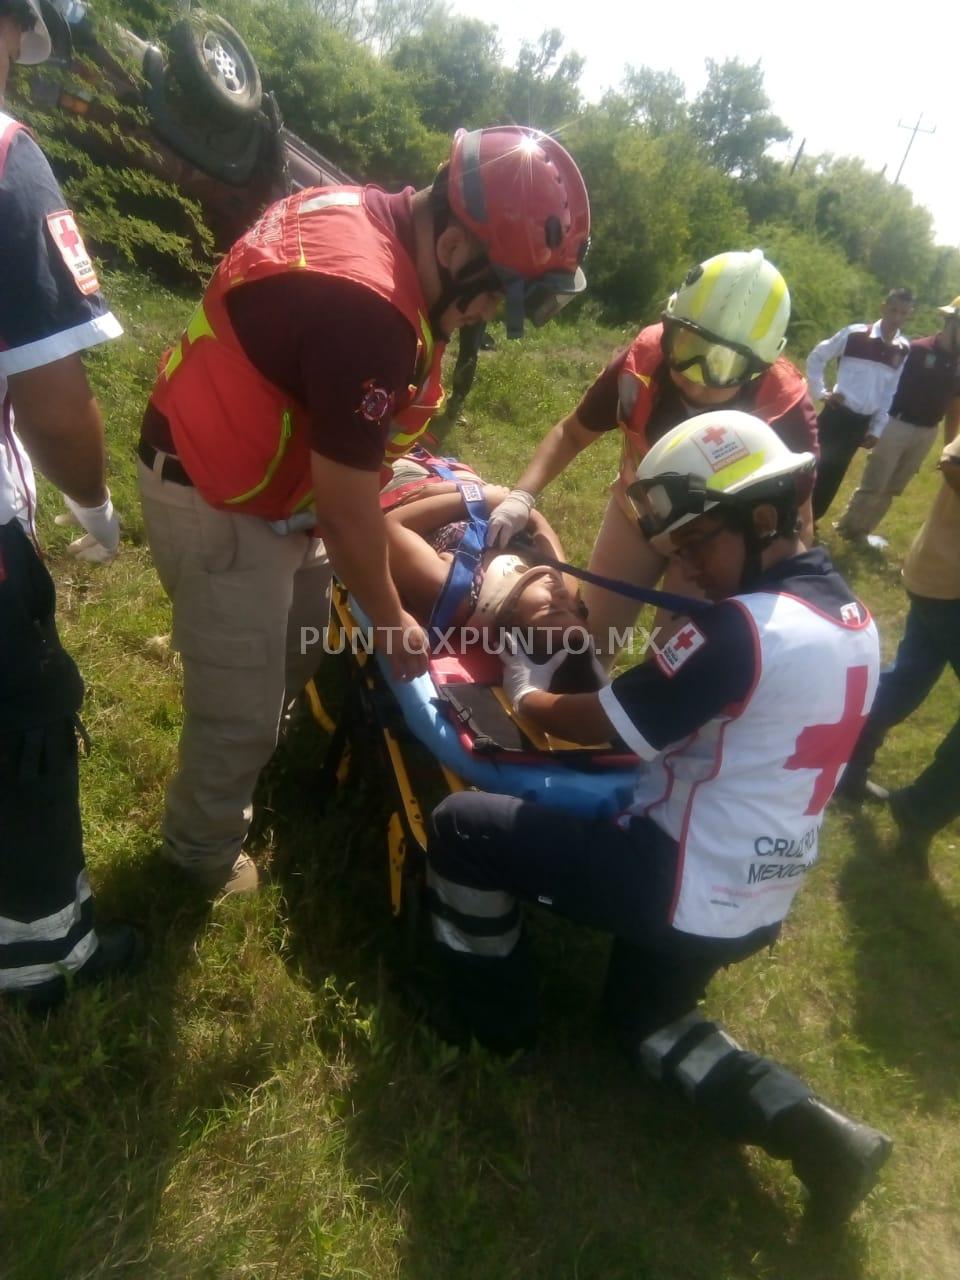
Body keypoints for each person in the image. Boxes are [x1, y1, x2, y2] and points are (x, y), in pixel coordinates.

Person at [420, 411, 891, 1224]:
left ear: (765, 519)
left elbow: (602, 719)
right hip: (751, 900)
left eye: (698, 544)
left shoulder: (738, 632)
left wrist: (529, 692)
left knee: (464, 826)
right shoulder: (854, 622)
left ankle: (491, 1025)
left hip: (669, 875)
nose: (689, 572)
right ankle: (819, 1135)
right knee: (643, 1022)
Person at [137, 126, 590, 895]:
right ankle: (198, 857)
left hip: (278, 494)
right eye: (493, 293)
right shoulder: (371, 308)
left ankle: (245, 754)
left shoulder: (371, 215)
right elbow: (353, 513)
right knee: (240, 705)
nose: (484, 314)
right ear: (451, 248)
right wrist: (389, 616)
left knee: (294, 648)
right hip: (219, 494)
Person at [1, 0, 141, 1010]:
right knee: (31, 711)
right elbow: (53, 399)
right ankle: (42, 952)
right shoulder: (7, 157)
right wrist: (94, 508)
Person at [484, 250, 819, 666]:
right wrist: (521, 496)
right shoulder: (642, 362)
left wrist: (784, 602)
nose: (694, 373)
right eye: (686, 343)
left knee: (675, 663)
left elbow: (798, 522)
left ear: (760, 365)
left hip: (715, 542)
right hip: (636, 513)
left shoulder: (784, 408)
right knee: (587, 644)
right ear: (669, 325)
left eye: (722, 363)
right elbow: (571, 432)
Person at [836, 434, 960, 874]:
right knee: (908, 676)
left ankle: (846, 765)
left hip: (939, 577)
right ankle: (923, 807)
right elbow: (953, 463)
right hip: (949, 583)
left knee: (907, 678)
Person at [381, 452, 588, 645]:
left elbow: (390, 527)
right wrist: (488, 495)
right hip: (462, 478)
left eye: (551, 609)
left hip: (407, 482)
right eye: (579, 611)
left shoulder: (447, 589)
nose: (565, 599)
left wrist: (478, 495)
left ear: (511, 622)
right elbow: (536, 521)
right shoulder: (562, 586)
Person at [835, 299, 960, 543]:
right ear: (951, 323)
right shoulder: (916, 350)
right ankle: (847, 527)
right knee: (876, 481)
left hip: (927, 432)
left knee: (894, 487)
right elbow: (883, 383)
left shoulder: (958, 365)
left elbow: (954, 408)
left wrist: (949, 448)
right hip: (896, 424)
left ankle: (863, 532)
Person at [806, 289, 913, 521]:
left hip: (859, 423)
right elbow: (817, 356)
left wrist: (876, 428)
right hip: (837, 414)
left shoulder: (902, 349)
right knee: (814, 465)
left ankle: (812, 521)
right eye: (893, 310)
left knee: (835, 473)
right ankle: (790, 514)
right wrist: (821, 392)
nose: (896, 317)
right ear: (883, 307)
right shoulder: (855, 335)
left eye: (903, 313)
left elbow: (889, 392)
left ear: (909, 315)